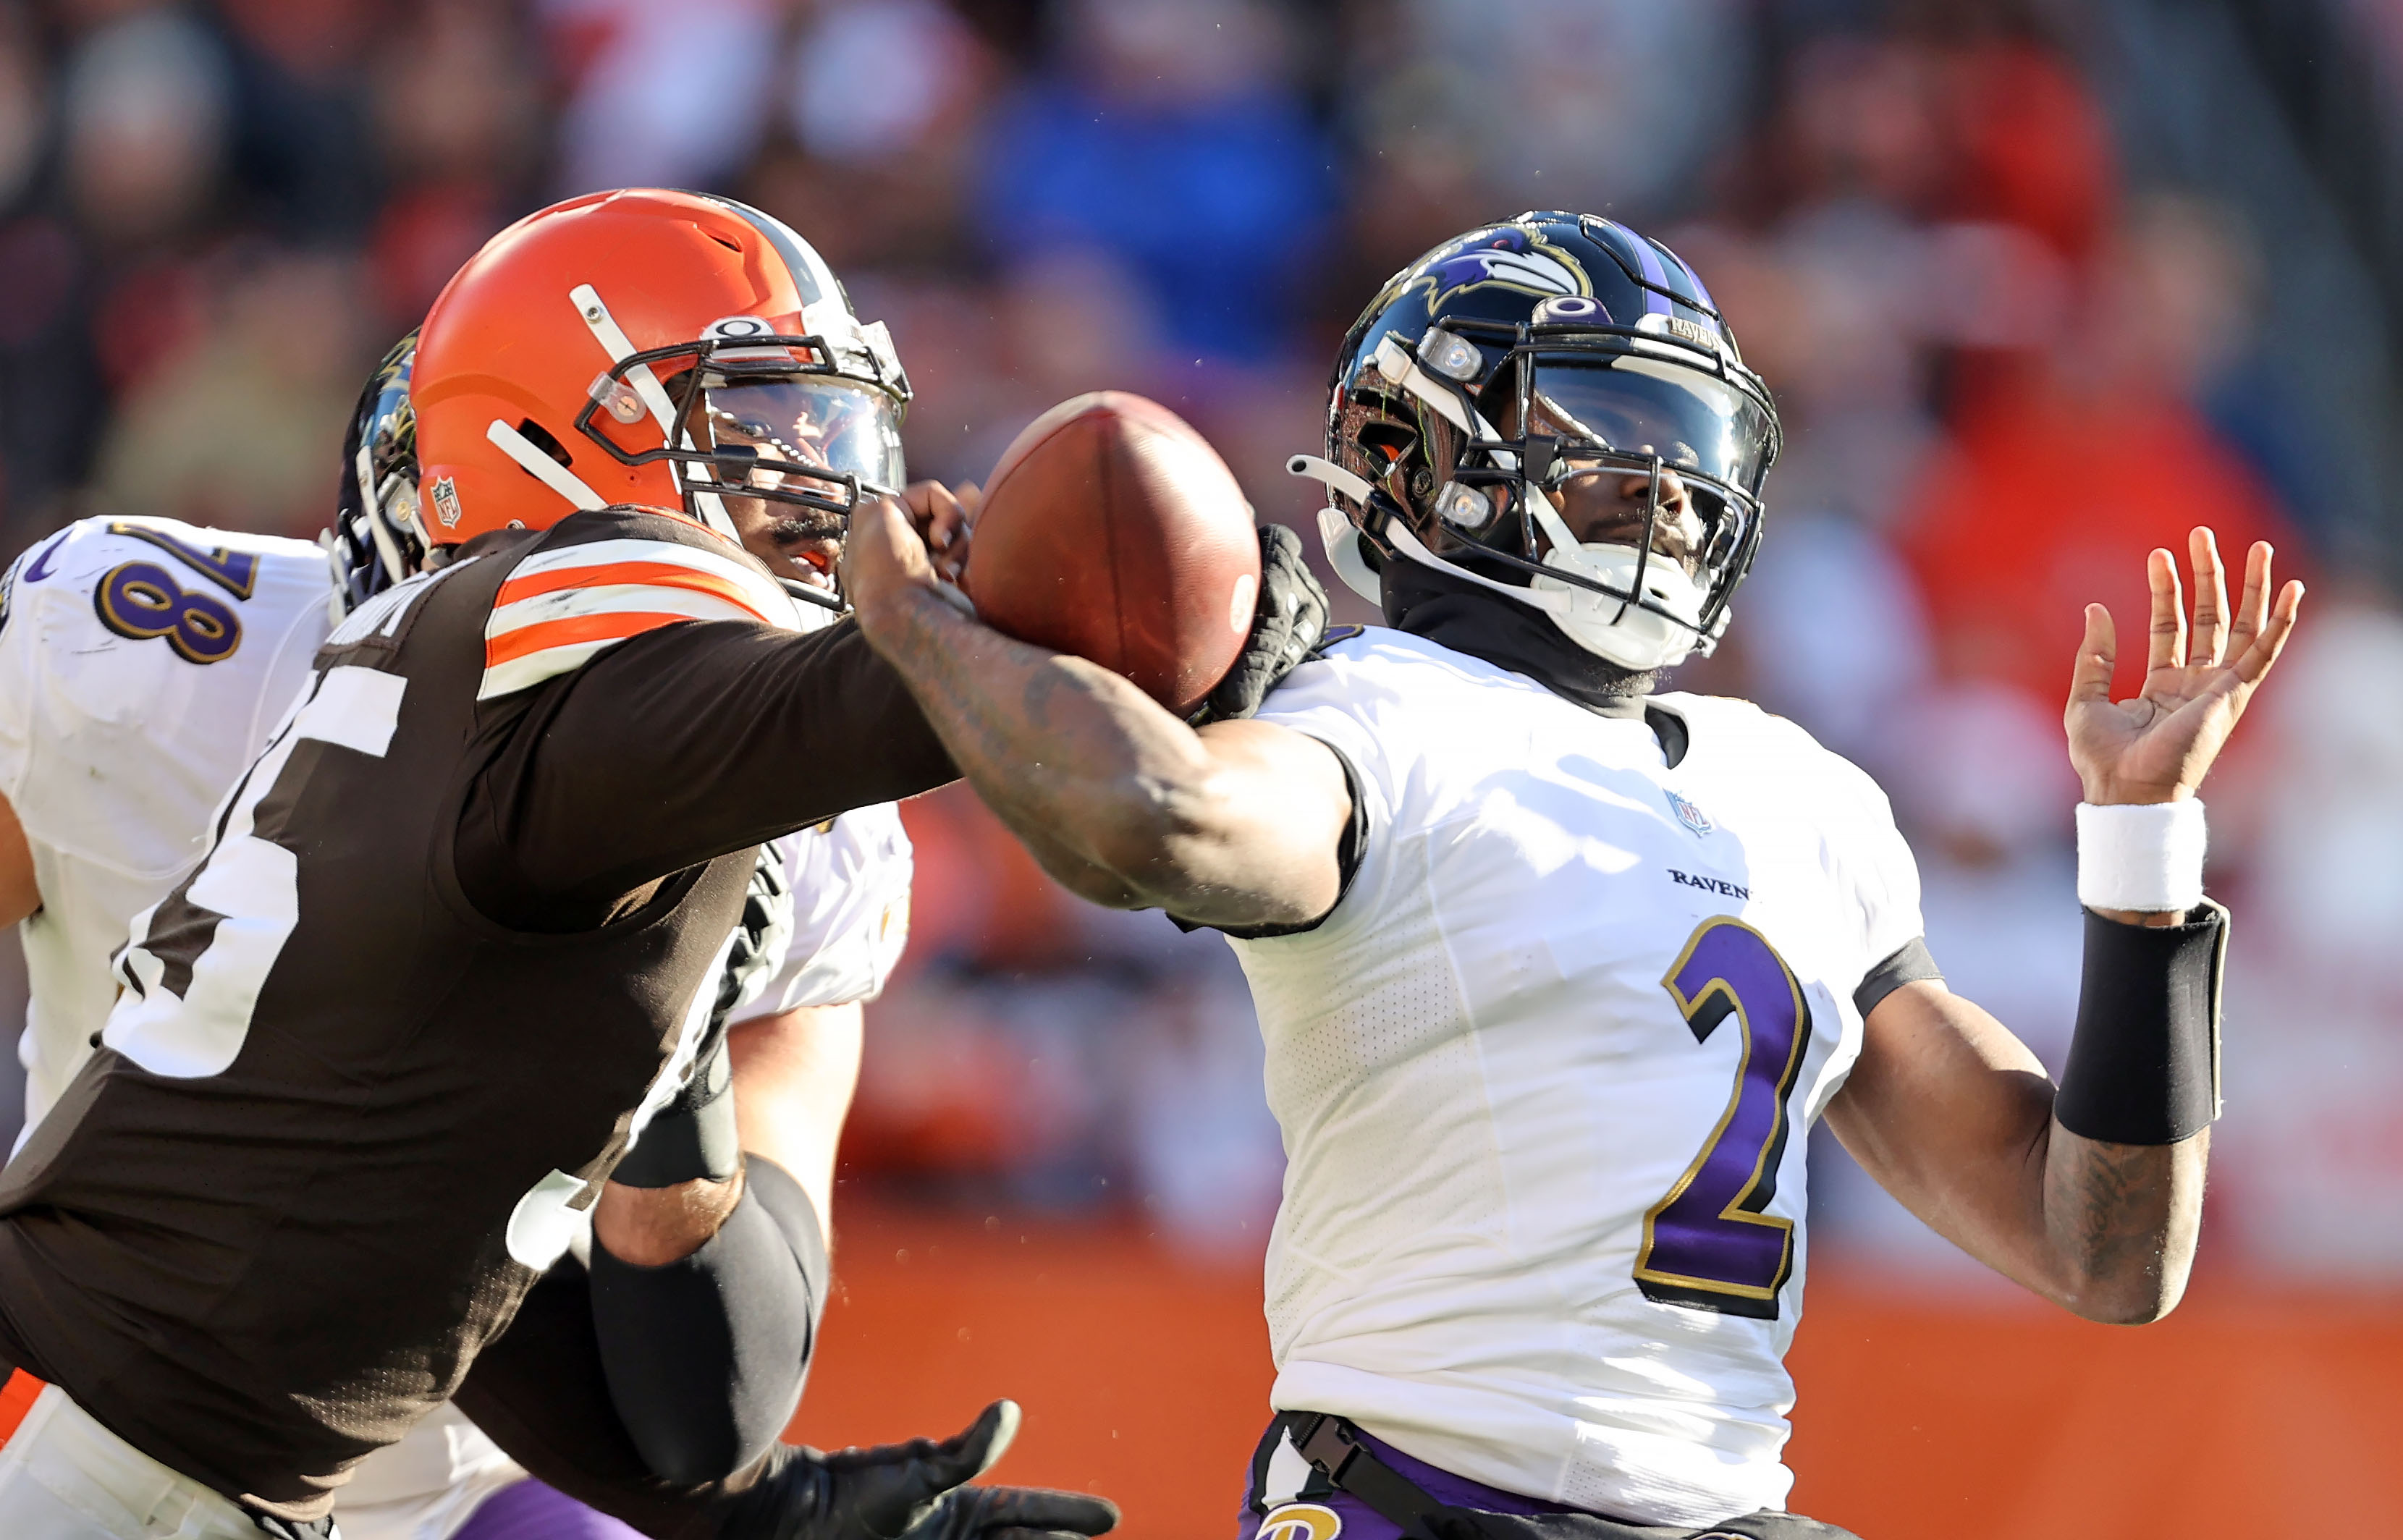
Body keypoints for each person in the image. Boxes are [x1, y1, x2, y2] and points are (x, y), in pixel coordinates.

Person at [838, 212, 2305, 1539]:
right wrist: (931, 633)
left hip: (1727, 1509)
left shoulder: (1798, 792)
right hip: (1423, 1494)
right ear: (1419, 447)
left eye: (1690, 446)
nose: (1667, 491)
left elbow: (2103, 1247)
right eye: (1612, 429)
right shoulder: (1375, 720)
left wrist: (2137, 844)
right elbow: (1150, 815)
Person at [0, 190, 1139, 1540]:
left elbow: (712, 1388)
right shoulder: (154, 652)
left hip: (472, 1483)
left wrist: (666, 1055)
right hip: (164, 1419)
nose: (823, 501)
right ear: (533, 454)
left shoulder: (124, 649)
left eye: (823, 435)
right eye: (756, 439)